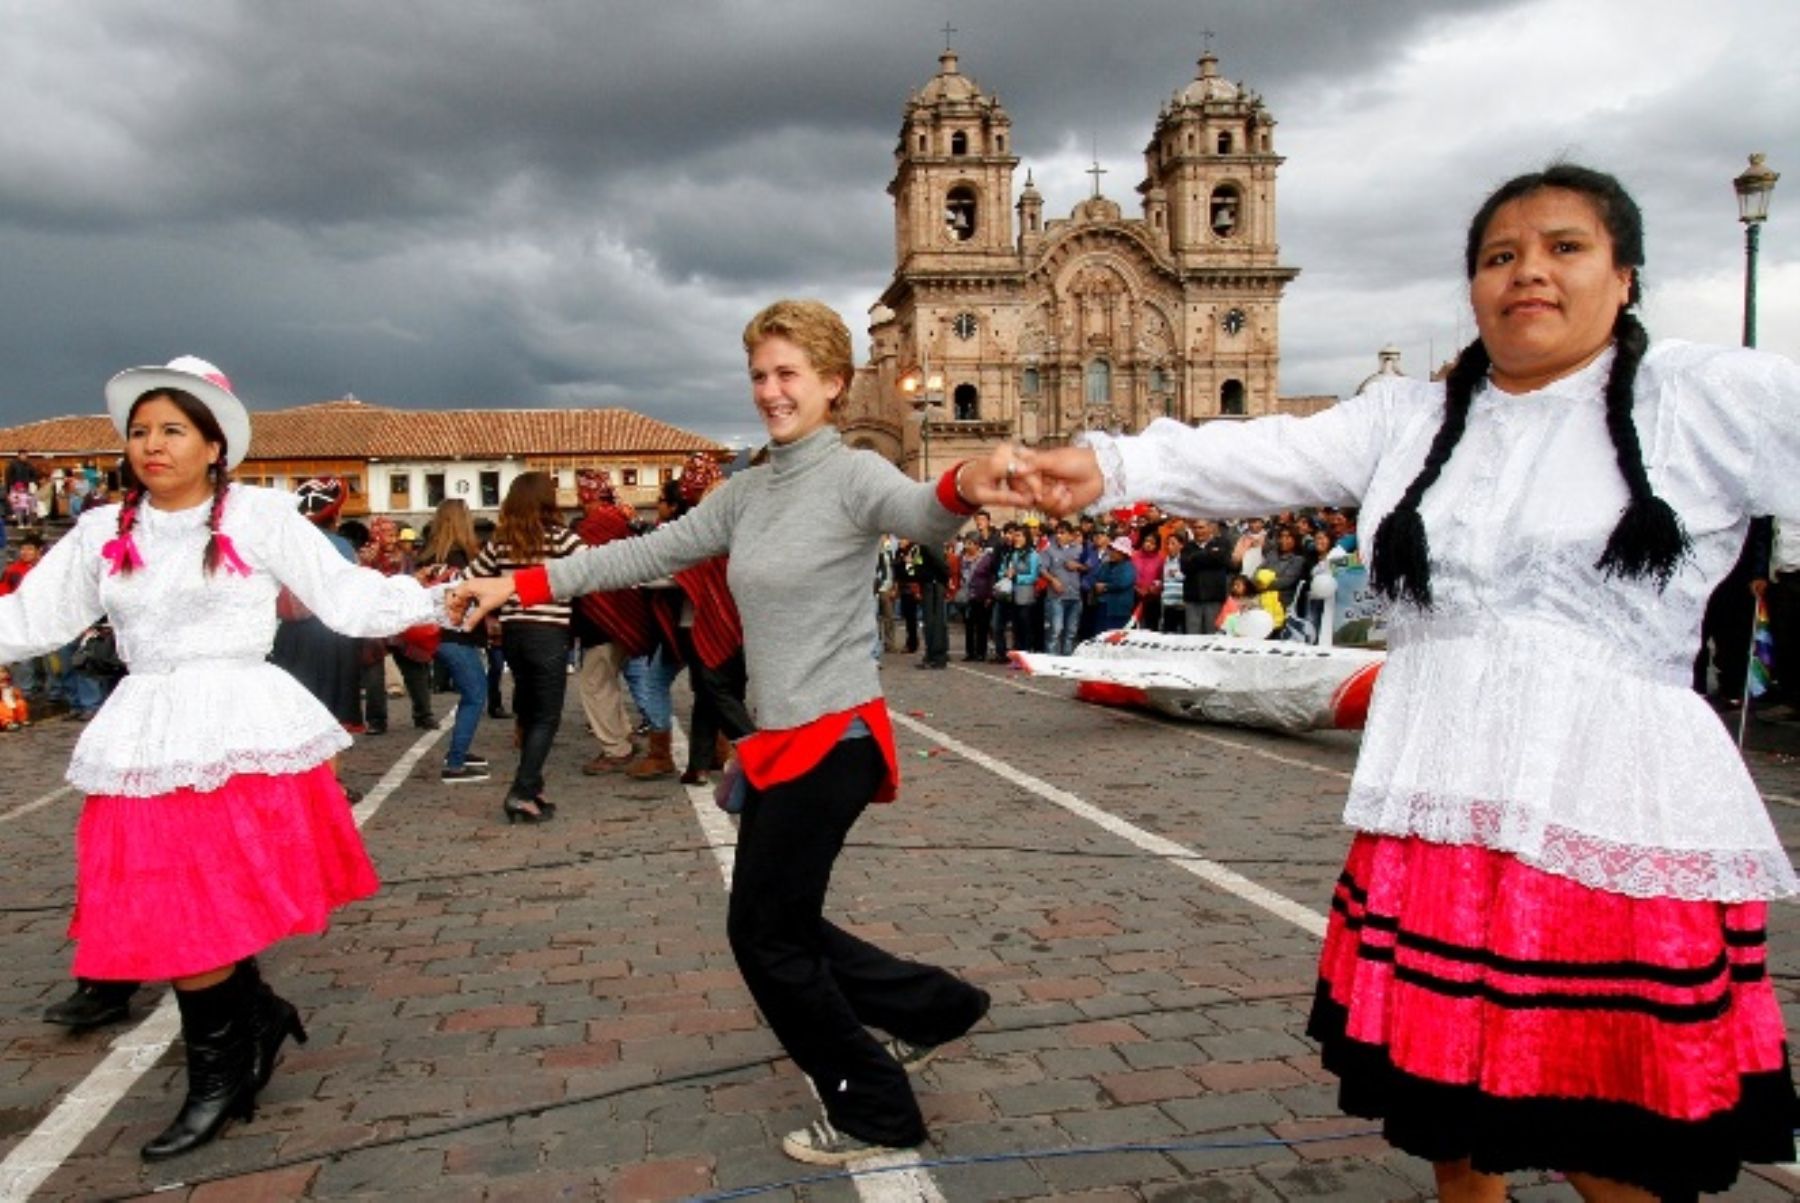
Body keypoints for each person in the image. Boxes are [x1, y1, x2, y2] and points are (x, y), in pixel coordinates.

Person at [1015, 165, 1800, 1201]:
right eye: (1499, 256)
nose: (1529, 273)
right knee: (1452, 1124)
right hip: (1444, 800)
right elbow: (1267, 450)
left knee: (1612, 1139)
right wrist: (1107, 468)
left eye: (1564, 247)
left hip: (1607, 812)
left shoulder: (1709, 394)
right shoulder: (1414, 418)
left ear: (1625, 275)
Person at [454, 300, 1018, 1166]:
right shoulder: (749, 490)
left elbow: (921, 511)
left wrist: (962, 483)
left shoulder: (853, 475)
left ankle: (875, 1106)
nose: (770, 390)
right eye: (760, 374)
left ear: (835, 383)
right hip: (784, 738)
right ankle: (931, 1007)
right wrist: (521, 579)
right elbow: (645, 554)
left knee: (765, 937)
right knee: (780, 923)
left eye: (789, 373)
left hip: (835, 738)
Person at [0, 356, 448, 1159]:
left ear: (215, 445)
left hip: (240, 727)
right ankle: (253, 1027)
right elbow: (32, 618)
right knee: (166, 903)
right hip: (147, 732)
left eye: (172, 429)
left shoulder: (260, 517)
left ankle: (219, 1073)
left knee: (210, 905)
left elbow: (344, 597)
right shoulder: (103, 530)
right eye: (139, 430)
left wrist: (443, 595)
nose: (151, 445)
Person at [469, 472, 583, 822]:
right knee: (547, 716)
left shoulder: (501, 542)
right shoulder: (563, 539)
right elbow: (592, 570)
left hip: (513, 632)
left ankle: (533, 786)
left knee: (530, 711)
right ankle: (521, 791)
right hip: (548, 632)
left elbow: (474, 575)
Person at [417, 499, 491, 783]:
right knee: (475, 693)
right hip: (457, 634)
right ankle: (456, 761)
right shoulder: (463, 559)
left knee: (470, 692)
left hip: (435, 633)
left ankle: (459, 751)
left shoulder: (427, 557)